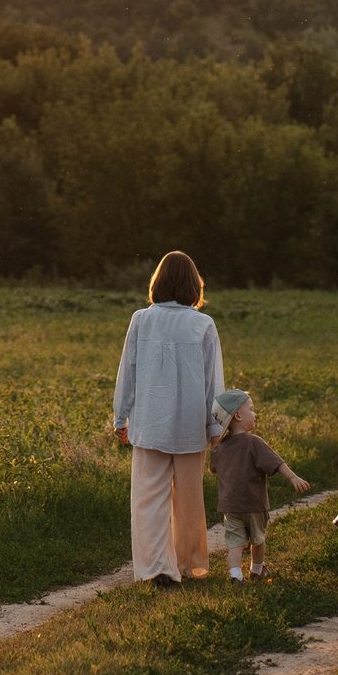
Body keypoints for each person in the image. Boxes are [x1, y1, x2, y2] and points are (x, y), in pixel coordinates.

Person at [112, 250, 226, 585]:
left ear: (157, 283)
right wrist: (216, 427)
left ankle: (157, 569)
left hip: (149, 422)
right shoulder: (203, 323)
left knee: (148, 499)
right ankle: (189, 563)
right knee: (190, 499)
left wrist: (121, 417)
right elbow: (212, 380)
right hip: (190, 424)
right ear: (194, 285)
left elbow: (127, 372)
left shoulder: (141, 319)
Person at [210, 387, 310, 582]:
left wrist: (215, 444)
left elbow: (214, 467)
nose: (255, 414)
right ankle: (256, 570)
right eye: (251, 409)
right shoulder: (253, 442)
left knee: (234, 542)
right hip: (254, 503)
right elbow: (276, 463)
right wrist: (293, 478)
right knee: (258, 538)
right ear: (238, 415)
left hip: (230, 505)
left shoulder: (221, 448)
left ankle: (235, 575)